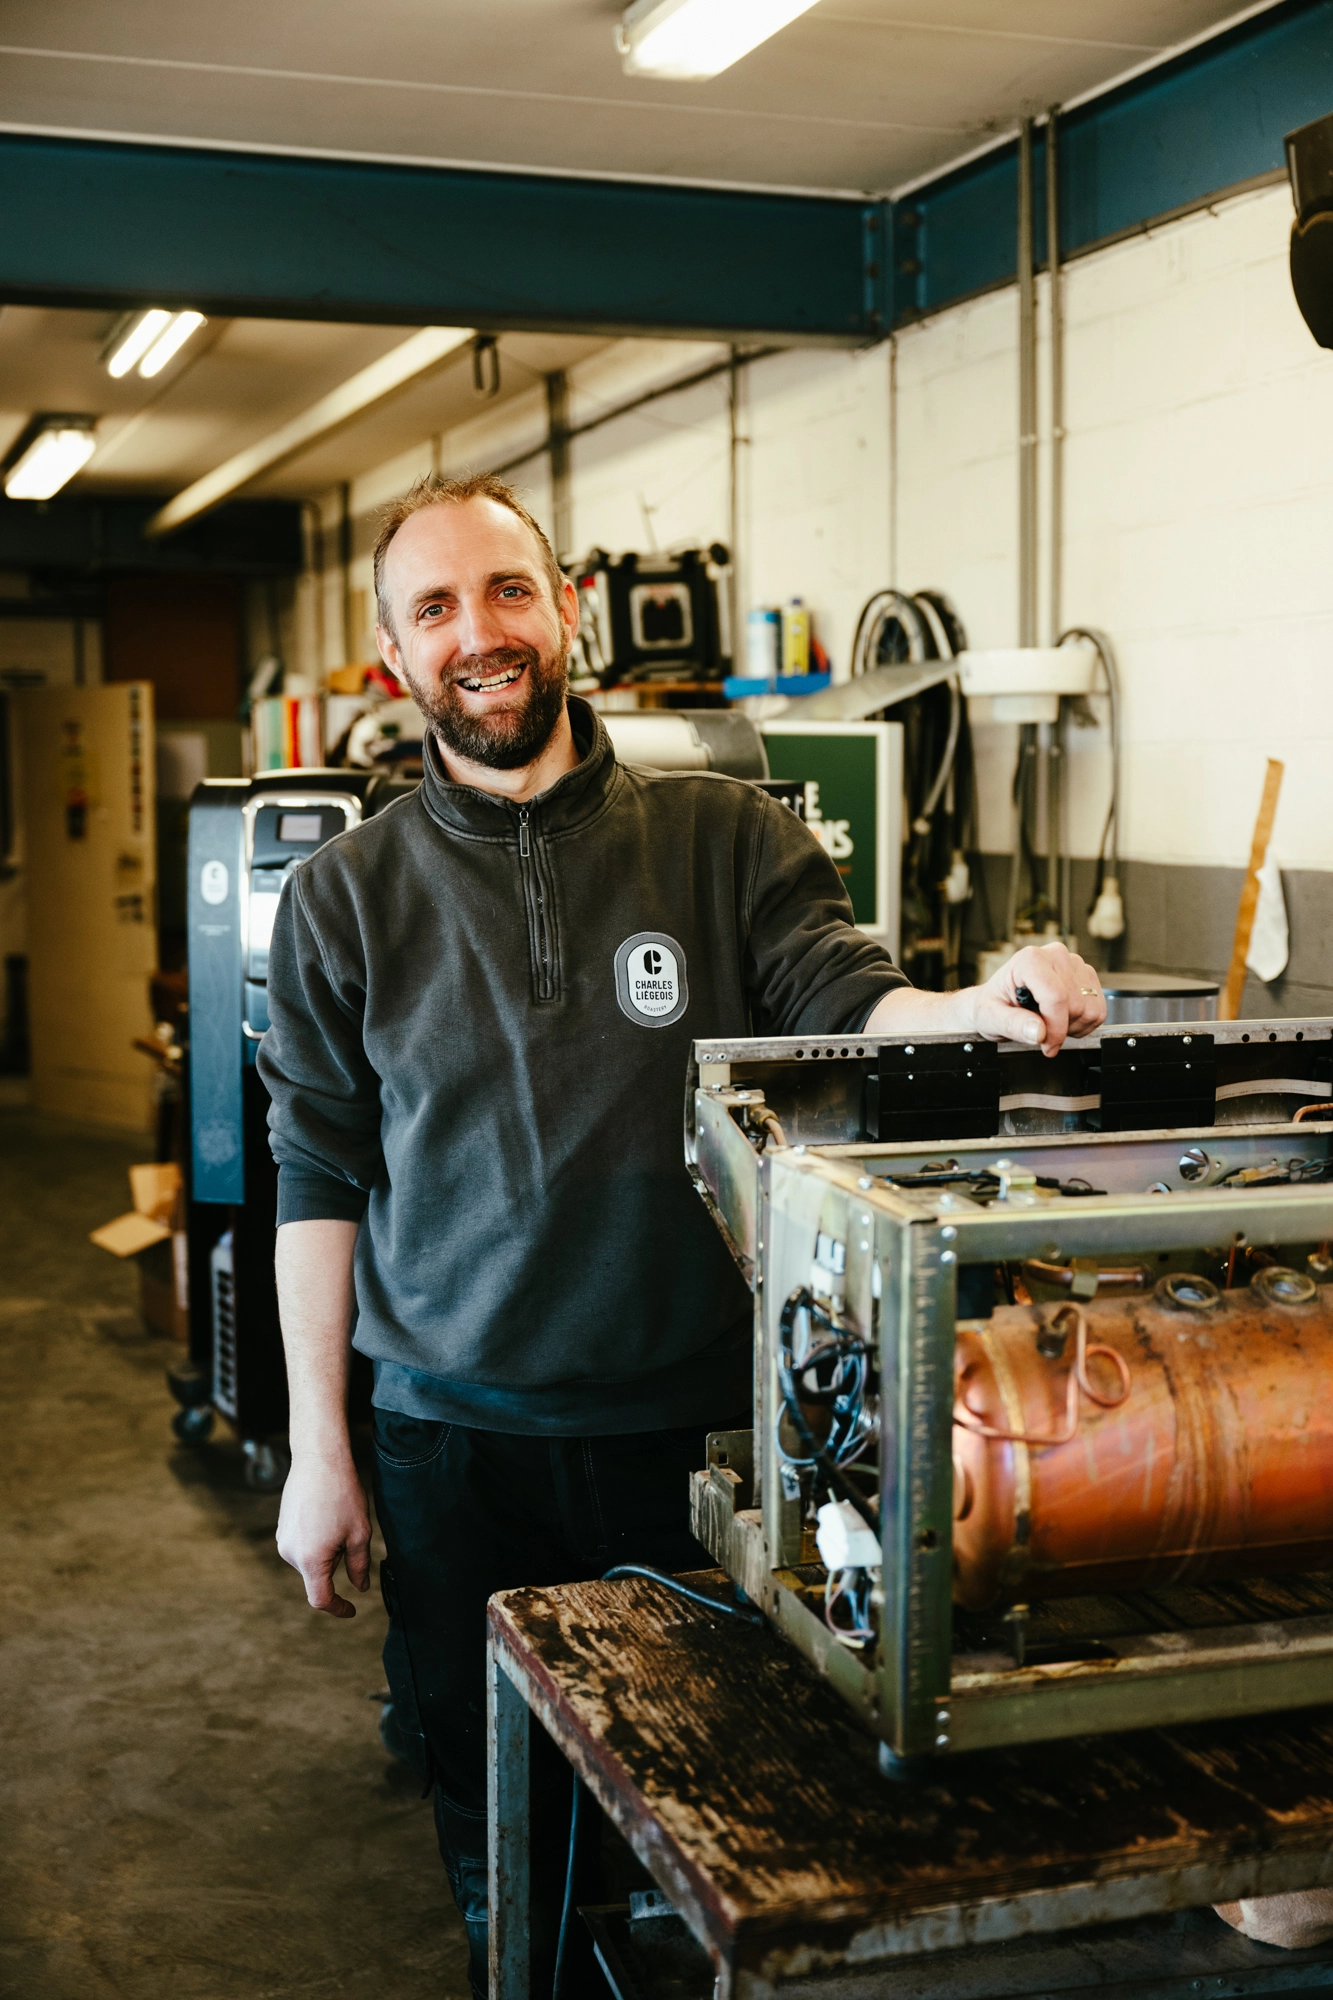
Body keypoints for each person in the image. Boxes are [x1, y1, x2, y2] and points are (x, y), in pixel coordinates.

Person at [261, 472, 1105, 1997]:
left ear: (567, 608)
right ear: (395, 658)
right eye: (437, 608)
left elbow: (848, 998)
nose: (482, 634)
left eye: (509, 592)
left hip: (706, 1440)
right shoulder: (344, 899)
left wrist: (983, 1002)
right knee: (492, 1805)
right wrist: (323, 1449)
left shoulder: (723, 839)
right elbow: (315, 1177)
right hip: (454, 1448)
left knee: (725, 1820)